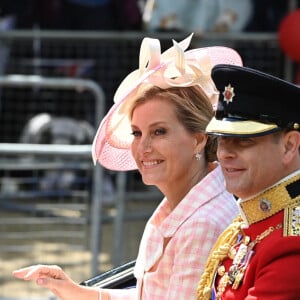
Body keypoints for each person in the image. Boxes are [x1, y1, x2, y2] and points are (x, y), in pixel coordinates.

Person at [12, 34, 242, 299]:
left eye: (159, 132)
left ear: (198, 140)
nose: (143, 147)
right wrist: (78, 293)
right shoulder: (181, 206)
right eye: (136, 133)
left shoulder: (202, 223)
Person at [197, 64, 300, 299]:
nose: (224, 153)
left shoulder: (291, 242)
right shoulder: (255, 218)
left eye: (244, 141)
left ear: (289, 146)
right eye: (223, 139)